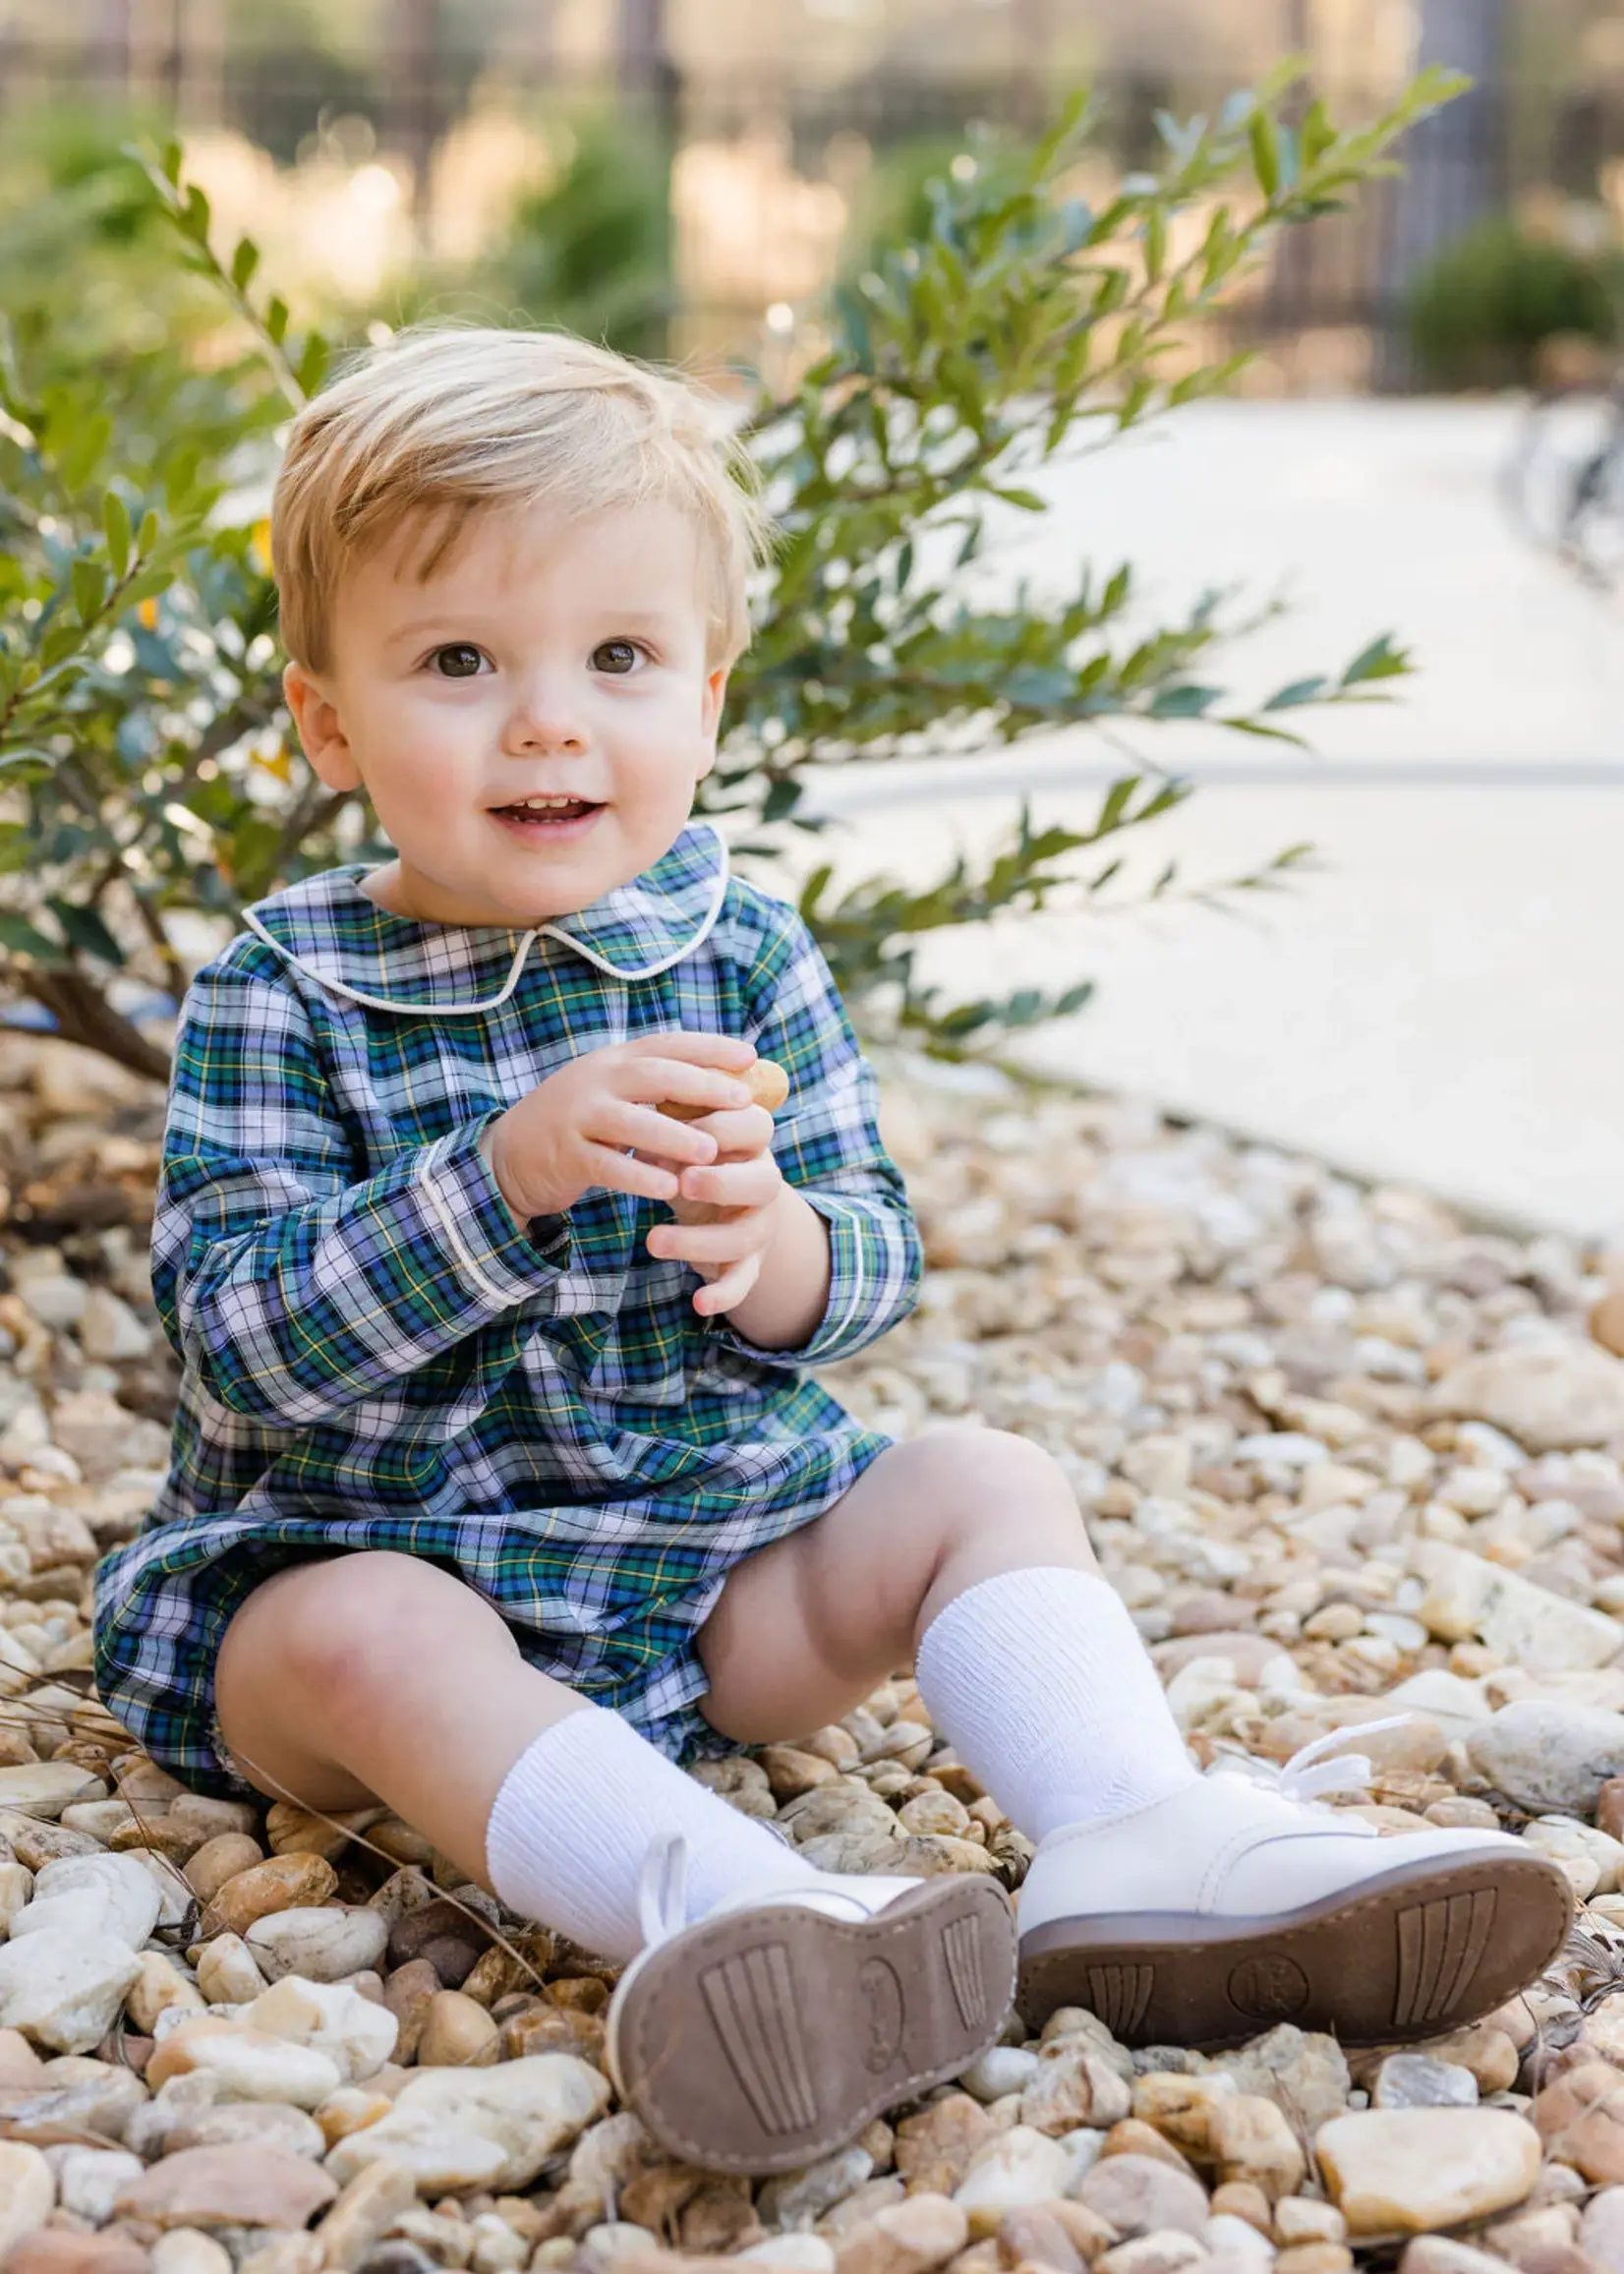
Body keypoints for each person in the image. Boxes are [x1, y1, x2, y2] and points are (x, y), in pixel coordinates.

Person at [94, 326, 1570, 2175]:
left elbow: (872, 1265)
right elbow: (238, 1347)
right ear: (328, 726)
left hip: (705, 1588)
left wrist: (777, 1243)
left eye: (618, 660)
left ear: (705, 700)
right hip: (372, 1574)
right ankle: (726, 1915)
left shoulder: (747, 955)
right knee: (373, 1636)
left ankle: (1134, 1836)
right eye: (460, 662)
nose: (550, 719)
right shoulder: (283, 991)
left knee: (976, 1475)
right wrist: (498, 1182)